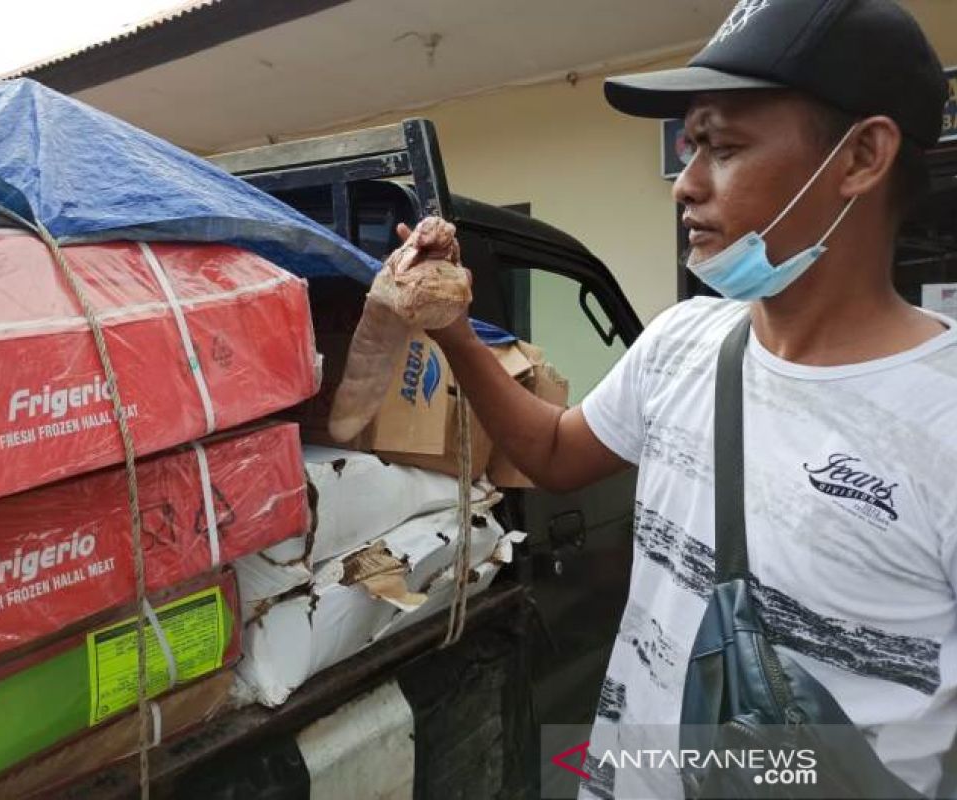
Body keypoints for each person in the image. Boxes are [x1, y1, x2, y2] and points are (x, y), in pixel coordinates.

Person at [408, 0, 956, 795]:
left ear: (861, 156)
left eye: (723, 147)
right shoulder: (683, 343)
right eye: (689, 145)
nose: (685, 186)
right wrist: (455, 329)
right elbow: (556, 455)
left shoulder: (939, 416)